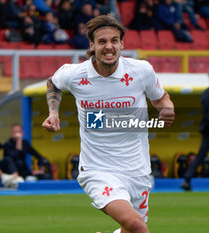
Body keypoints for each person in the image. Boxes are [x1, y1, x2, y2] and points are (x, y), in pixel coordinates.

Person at [42, 14, 175, 233]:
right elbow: (53, 83)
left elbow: (161, 98)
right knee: (137, 226)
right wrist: (53, 113)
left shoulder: (141, 71)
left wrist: (166, 108)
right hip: (98, 170)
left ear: (122, 43)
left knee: (131, 229)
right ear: (92, 45)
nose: (109, 46)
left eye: (114, 40)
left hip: (137, 171)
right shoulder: (76, 74)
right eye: (102, 41)